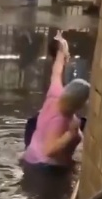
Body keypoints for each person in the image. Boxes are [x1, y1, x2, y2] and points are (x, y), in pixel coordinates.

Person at [22, 31, 90, 169]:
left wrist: (63, 49)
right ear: (80, 105)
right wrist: (70, 135)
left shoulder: (55, 93)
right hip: (43, 167)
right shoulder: (62, 121)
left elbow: (57, 71)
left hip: (30, 154)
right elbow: (49, 151)